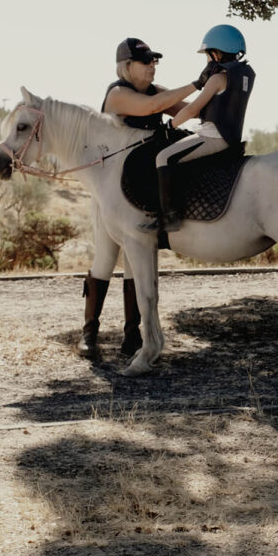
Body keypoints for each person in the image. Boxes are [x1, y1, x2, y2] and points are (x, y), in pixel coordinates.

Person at [78, 37, 201, 359]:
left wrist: (216, 88)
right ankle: (89, 334)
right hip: (113, 193)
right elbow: (152, 108)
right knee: (105, 261)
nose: (152, 66)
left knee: (136, 262)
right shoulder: (118, 94)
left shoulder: (155, 90)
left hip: (141, 189)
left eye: (154, 61)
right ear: (127, 66)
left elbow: (186, 109)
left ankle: (132, 336)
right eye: (145, 61)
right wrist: (197, 83)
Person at [140, 24, 255, 234]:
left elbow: (192, 109)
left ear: (217, 53)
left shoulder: (217, 79)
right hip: (231, 137)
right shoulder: (242, 77)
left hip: (213, 138)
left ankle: (170, 218)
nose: (207, 60)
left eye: (208, 55)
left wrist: (170, 125)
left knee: (163, 158)